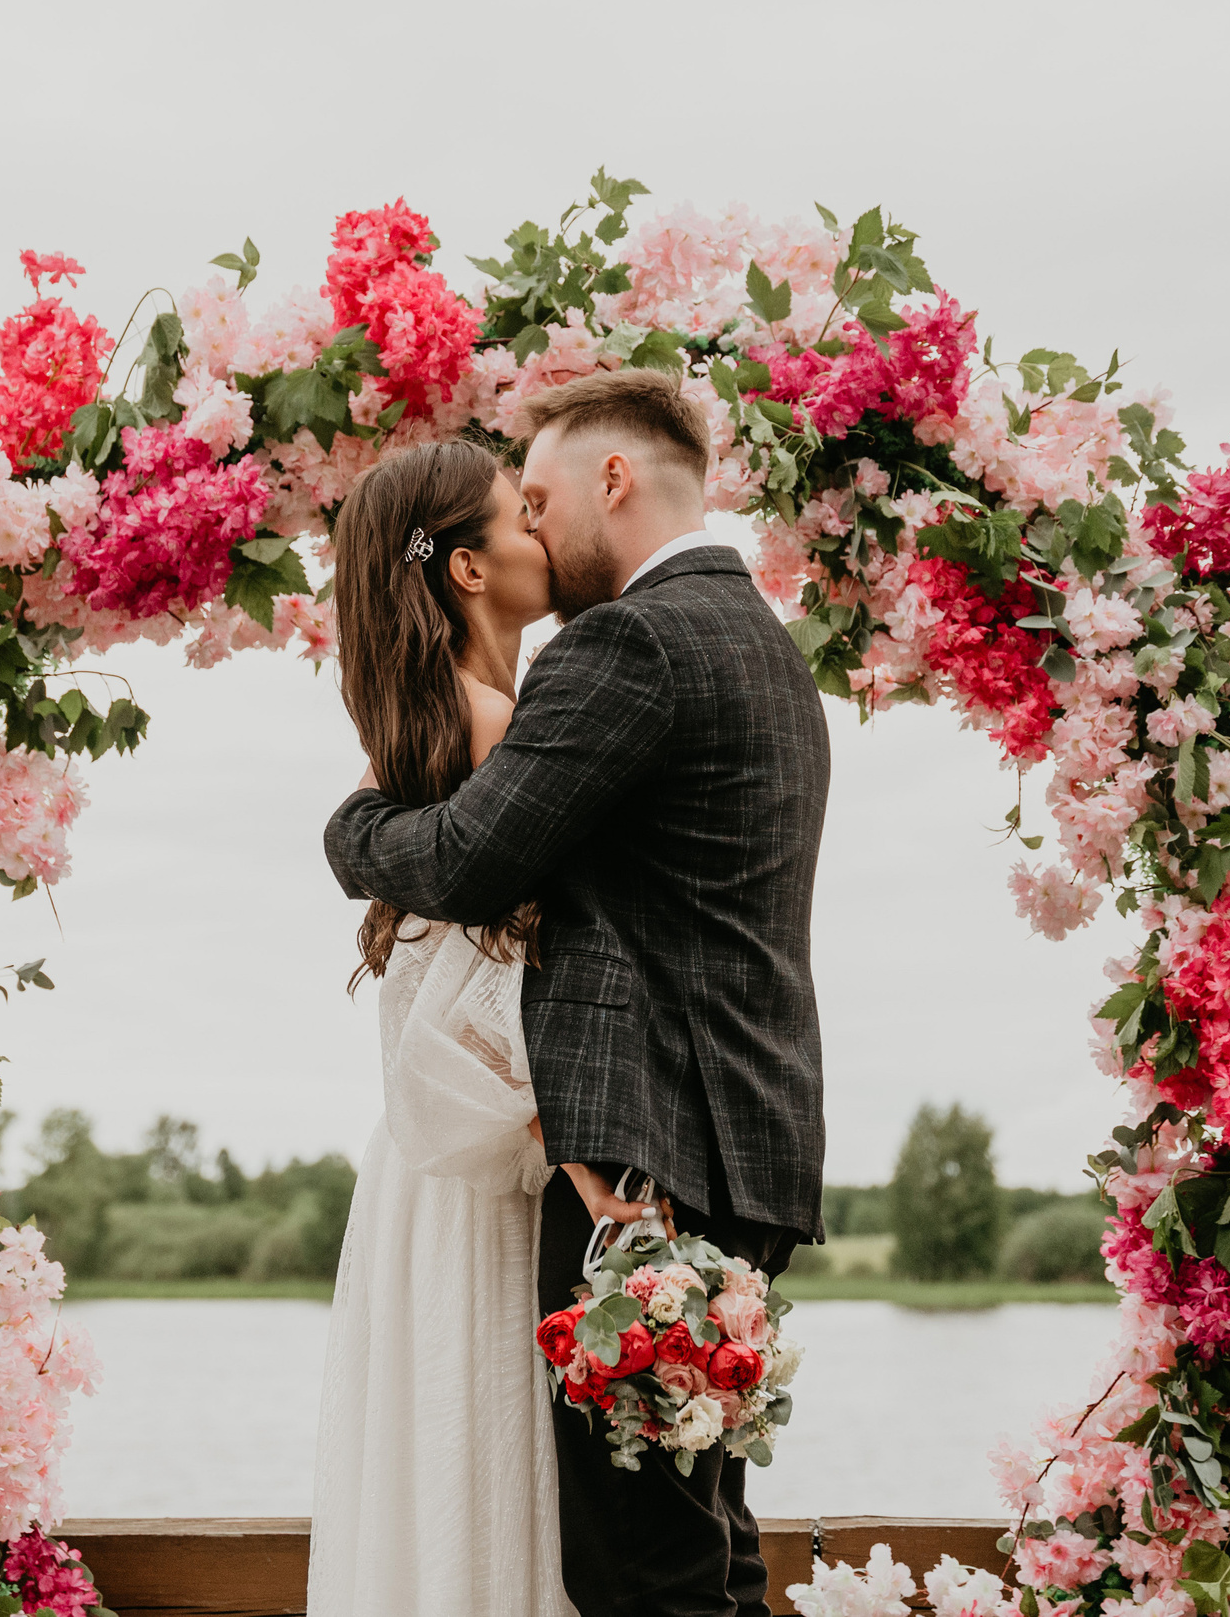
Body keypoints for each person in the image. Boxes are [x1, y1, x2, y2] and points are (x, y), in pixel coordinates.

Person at [324, 368, 832, 1617]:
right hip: (742, 1136)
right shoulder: (761, 639)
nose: (535, 530)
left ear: (614, 478)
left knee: (639, 1565)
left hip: (648, 1150)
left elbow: (463, 859)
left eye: (540, 496)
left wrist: (350, 831)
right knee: (700, 1532)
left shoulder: (631, 640)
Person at [307, 438, 648, 1617]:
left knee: (438, 1457)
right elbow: (526, 979)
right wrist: (572, 1127)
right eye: (519, 519)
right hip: (500, 1157)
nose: (542, 537)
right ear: (464, 569)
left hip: (424, 1165)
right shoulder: (492, 723)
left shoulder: (428, 722)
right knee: (498, 1455)